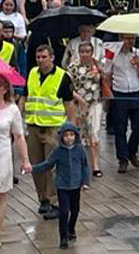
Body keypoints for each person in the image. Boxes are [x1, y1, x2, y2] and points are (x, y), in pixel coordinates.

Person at [24, 44, 76, 220]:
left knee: (52, 167)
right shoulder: (32, 73)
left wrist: (71, 129)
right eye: (38, 57)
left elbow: (69, 104)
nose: (40, 60)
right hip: (33, 125)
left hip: (54, 128)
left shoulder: (62, 77)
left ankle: (55, 202)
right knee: (36, 165)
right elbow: (25, 96)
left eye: (44, 57)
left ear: (52, 57)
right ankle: (43, 199)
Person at [30, 122, 89, 249]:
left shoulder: (80, 150)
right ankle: (63, 238)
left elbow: (85, 166)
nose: (69, 138)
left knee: (75, 210)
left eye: (72, 135)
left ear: (76, 136)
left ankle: (71, 228)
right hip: (62, 186)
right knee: (64, 211)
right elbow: (47, 164)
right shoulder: (58, 151)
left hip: (76, 185)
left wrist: (85, 182)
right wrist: (32, 169)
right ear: (61, 137)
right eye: (66, 135)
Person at [104, 34, 139, 174]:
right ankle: (122, 159)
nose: (130, 41)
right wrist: (108, 96)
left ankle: (131, 151)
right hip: (119, 93)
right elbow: (107, 74)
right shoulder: (113, 55)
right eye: (127, 38)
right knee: (120, 128)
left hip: (136, 93)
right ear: (121, 38)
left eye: (133, 38)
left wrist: (138, 65)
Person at [66, 43, 103, 178]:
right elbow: (68, 87)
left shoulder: (97, 65)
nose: (85, 54)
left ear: (92, 52)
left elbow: (104, 80)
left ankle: (95, 165)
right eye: (82, 51)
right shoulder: (73, 67)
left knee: (94, 133)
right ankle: (78, 165)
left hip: (94, 103)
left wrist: (99, 70)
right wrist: (79, 99)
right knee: (78, 135)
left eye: (87, 51)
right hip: (78, 104)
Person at [0, 73, 30, 238]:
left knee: (1, 195)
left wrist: (25, 160)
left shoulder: (12, 110)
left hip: (3, 156)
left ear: (5, 89)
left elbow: (19, 136)